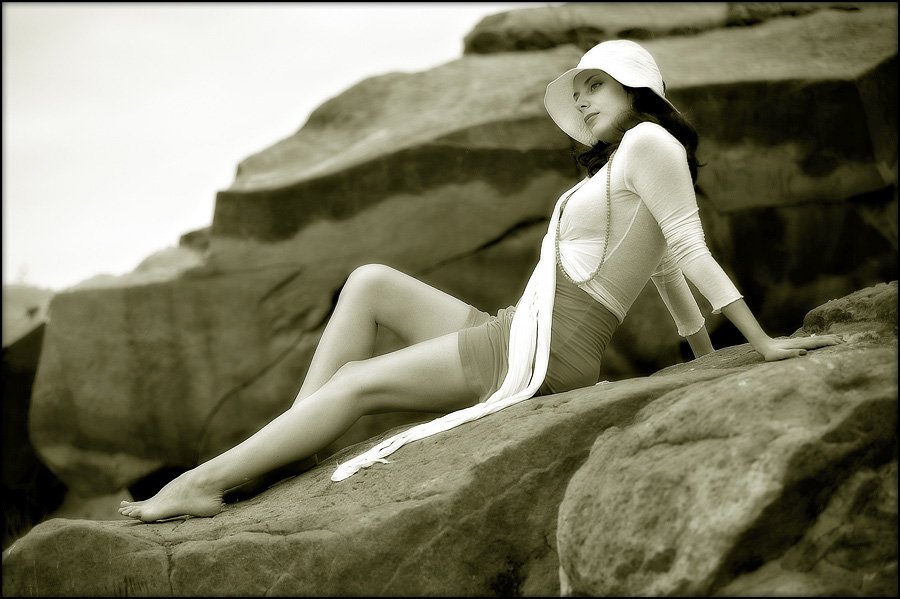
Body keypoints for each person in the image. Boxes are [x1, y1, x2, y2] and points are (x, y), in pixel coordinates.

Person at [119, 39, 842, 522]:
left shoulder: (651, 142)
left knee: (358, 382)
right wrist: (703, 361)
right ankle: (292, 442)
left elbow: (688, 250)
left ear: (636, 87)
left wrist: (760, 346)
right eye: (578, 93)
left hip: (543, 352)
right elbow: (663, 276)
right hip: (522, 328)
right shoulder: (629, 158)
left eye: (595, 85)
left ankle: (201, 483)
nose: (583, 101)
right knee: (370, 281)